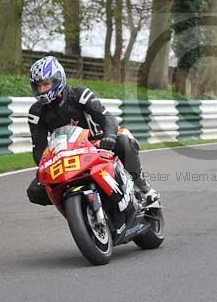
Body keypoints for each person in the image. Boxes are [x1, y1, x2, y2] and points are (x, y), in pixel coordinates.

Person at [24, 56, 159, 207]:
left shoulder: (80, 95)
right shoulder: (35, 113)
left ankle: (143, 187)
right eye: (38, 86)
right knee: (35, 191)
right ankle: (78, 208)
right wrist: (44, 168)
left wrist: (109, 137)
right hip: (67, 155)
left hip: (97, 143)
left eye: (46, 84)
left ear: (57, 79)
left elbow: (107, 117)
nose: (42, 90)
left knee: (123, 141)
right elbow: (39, 148)